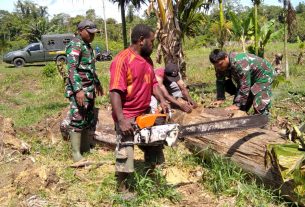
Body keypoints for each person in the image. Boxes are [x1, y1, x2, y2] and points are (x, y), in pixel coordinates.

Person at [109, 24, 169, 194]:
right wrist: (121, 120)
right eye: (152, 41)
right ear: (141, 40)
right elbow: (115, 91)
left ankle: (154, 179)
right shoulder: (122, 60)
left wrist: (162, 100)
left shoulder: (147, 60)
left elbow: (154, 84)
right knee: (125, 153)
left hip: (145, 113)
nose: (153, 45)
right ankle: (124, 190)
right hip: (127, 116)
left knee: (155, 145)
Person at [65, 19, 104, 162]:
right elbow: (72, 69)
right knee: (77, 118)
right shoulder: (75, 45)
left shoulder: (88, 46)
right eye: (90, 33)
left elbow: (90, 69)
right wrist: (78, 90)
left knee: (87, 118)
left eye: (94, 33)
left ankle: (85, 147)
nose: (92, 35)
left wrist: (98, 83)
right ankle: (76, 154)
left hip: (90, 88)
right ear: (80, 31)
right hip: (80, 90)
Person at [209, 49, 274, 115]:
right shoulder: (218, 66)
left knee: (259, 106)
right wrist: (220, 98)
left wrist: (237, 104)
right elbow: (220, 81)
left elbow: (245, 85)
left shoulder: (240, 62)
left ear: (226, 57)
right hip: (247, 78)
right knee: (241, 108)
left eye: (220, 64)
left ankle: (263, 118)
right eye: (216, 66)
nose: (219, 68)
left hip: (263, 75)